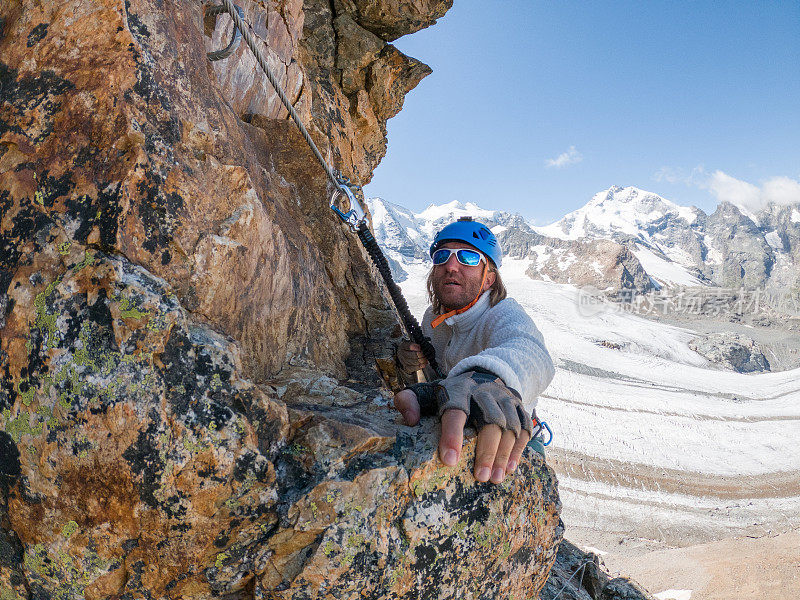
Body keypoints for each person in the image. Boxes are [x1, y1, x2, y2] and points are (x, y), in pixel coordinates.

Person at [393, 217, 555, 484]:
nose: (451, 266)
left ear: (489, 279)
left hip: (509, 432)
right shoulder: (432, 319)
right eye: (442, 256)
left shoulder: (502, 314)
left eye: (468, 257)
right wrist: (409, 362)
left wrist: (487, 379)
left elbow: (533, 354)